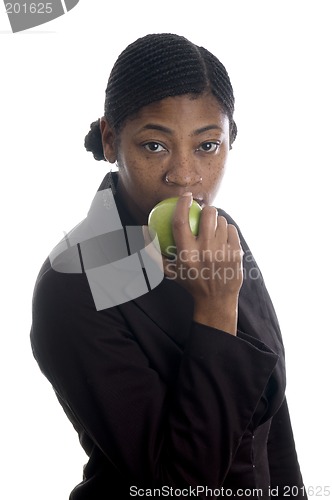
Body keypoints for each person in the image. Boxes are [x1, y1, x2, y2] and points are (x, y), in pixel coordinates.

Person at [30, 33, 306, 499]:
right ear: (111, 139)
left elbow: (271, 419)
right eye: (155, 146)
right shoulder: (71, 286)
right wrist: (216, 310)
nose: (184, 175)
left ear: (230, 141)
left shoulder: (221, 234)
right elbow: (180, 486)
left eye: (207, 146)